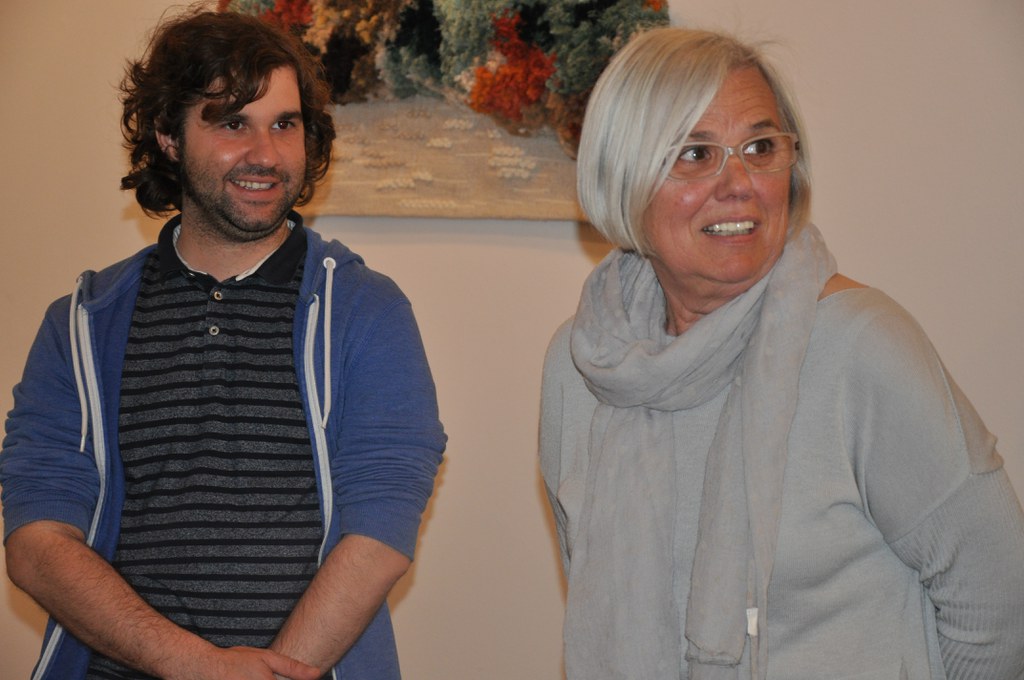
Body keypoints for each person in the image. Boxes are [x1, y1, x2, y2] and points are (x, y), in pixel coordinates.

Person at [539, 26, 1024, 680]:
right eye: (695, 154)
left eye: (761, 147)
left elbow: (999, 602)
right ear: (622, 176)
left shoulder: (861, 348)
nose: (738, 182)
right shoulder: (581, 365)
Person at [1, 10, 445, 680]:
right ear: (168, 136)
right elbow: (37, 539)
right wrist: (195, 665)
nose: (265, 153)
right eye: (232, 123)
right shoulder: (83, 323)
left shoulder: (366, 310)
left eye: (285, 124)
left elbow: (379, 528)